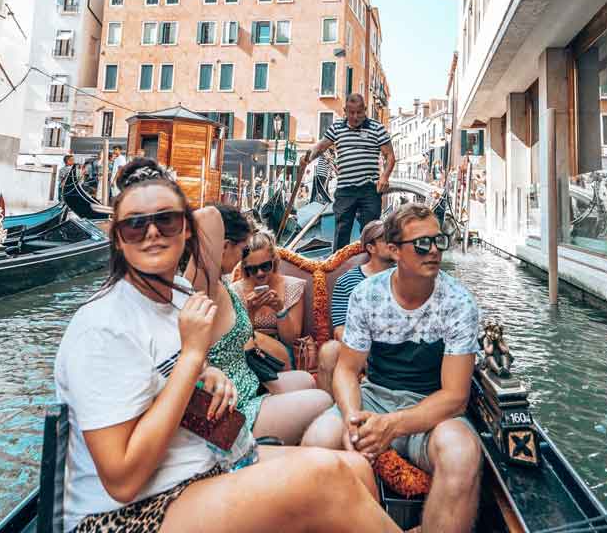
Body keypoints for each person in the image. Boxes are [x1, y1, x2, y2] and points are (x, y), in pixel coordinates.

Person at [53, 157, 399, 533]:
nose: (151, 232)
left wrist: (207, 374)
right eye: (135, 225)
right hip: (127, 514)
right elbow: (122, 482)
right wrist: (193, 359)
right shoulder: (103, 327)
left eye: (166, 219)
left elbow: (172, 386)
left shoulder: (179, 296)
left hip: (201, 466)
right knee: (327, 476)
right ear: (118, 239)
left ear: (185, 229)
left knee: (357, 469)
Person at [302, 202, 483, 533]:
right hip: (374, 400)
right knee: (317, 438)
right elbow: (346, 369)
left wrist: (393, 425)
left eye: (438, 241)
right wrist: (353, 418)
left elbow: (456, 397)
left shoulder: (459, 303)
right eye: (422, 244)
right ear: (394, 250)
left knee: (461, 453)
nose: (434, 251)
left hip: (432, 411)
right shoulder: (367, 294)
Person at [184, 203, 331, 443]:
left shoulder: (218, 285)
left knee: (306, 380)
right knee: (323, 401)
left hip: (249, 383)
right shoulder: (202, 285)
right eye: (243, 253)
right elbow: (207, 216)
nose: (245, 264)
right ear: (223, 246)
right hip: (234, 410)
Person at [300, 93, 395, 252]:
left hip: (369, 189)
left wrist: (384, 177)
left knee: (371, 232)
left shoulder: (377, 128)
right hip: (345, 189)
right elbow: (321, 147)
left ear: (365, 110)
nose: (355, 116)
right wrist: (308, 158)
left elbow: (390, 156)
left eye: (359, 112)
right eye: (351, 113)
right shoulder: (336, 127)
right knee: (342, 231)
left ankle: (370, 266)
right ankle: (338, 269)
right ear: (345, 111)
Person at [316, 219, 397, 396]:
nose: (393, 243)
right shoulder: (347, 281)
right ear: (371, 248)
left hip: (399, 344)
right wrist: (367, 355)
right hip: (361, 347)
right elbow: (340, 330)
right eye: (385, 239)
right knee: (330, 350)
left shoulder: (406, 277)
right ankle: (331, 410)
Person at [231, 230, 307, 364]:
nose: (260, 273)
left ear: (274, 261)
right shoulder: (235, 291)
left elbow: (290, 340)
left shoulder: (292, 286)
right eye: (253, 269)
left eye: (265, 266)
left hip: (282, 355)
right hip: (248, 354)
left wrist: (280, 310)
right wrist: (251, 312)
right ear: (245, 268)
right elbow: (238, 340)